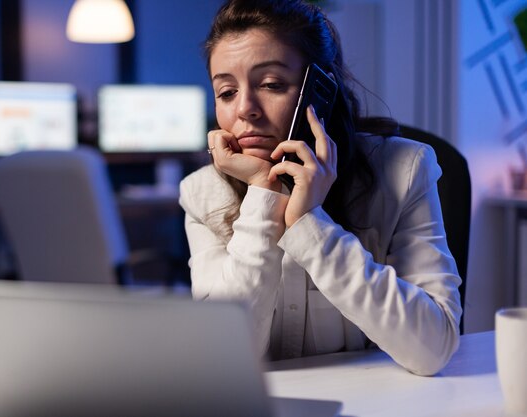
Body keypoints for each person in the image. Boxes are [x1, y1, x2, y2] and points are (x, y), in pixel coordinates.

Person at [178, 0, 462, 376]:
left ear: (320, 91)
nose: (245, 108)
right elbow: (220, 361)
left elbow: (434, 348)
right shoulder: (202, 194)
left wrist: (309, 224)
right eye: (226, 92)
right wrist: (265, 194)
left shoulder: (405, 170)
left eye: (271, 84)